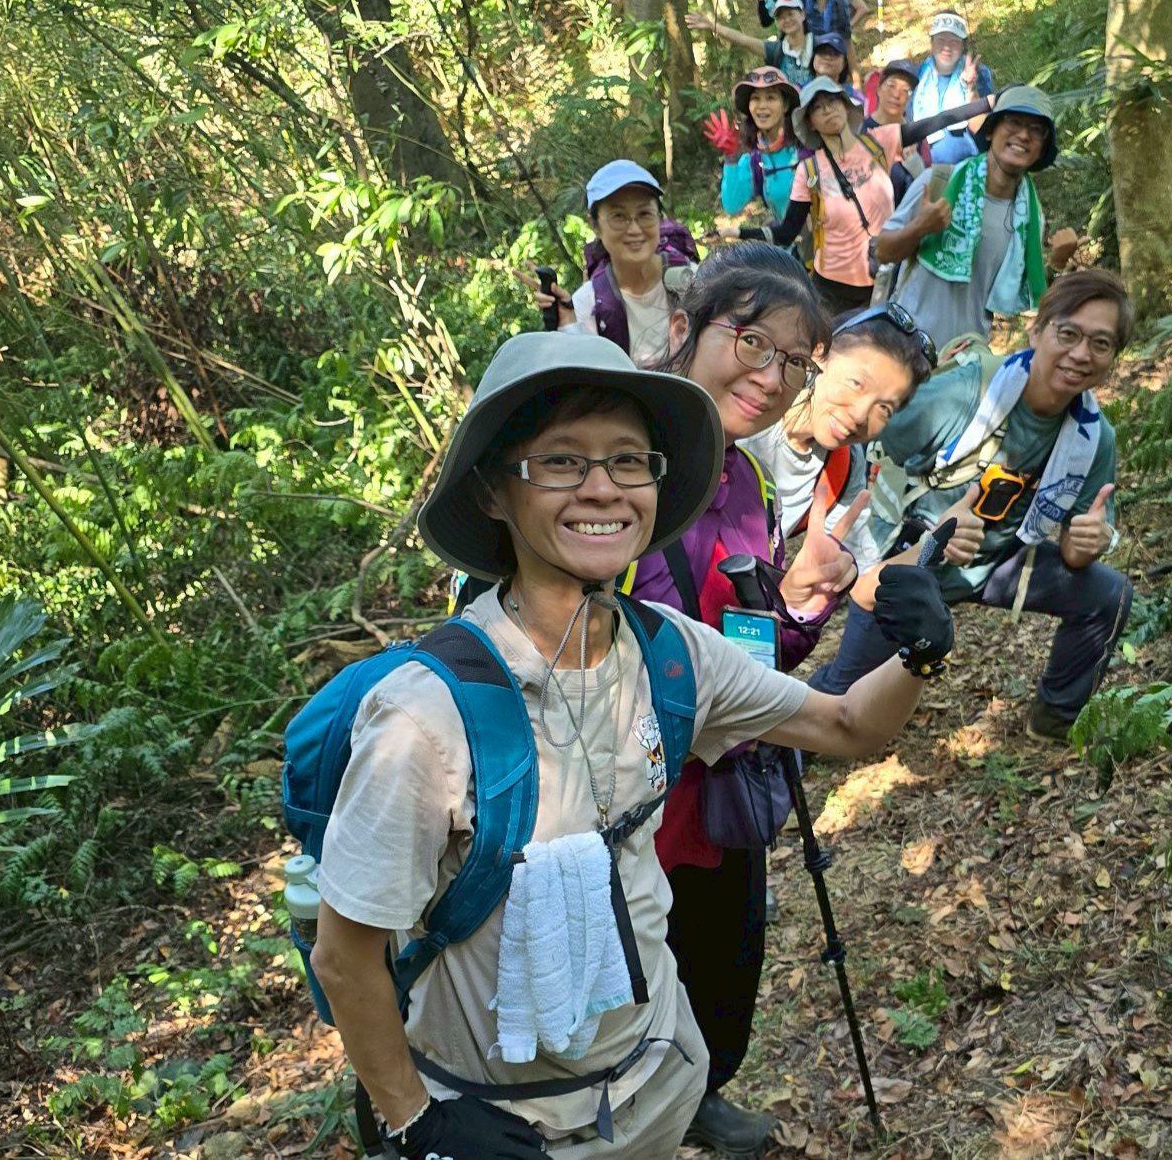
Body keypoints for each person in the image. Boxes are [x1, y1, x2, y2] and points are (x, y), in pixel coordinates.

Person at [310, 329, 954, 1160]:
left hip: (656, 1083)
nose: (601, 489)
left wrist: (916, 651)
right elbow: (344, 952)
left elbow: (845, 726)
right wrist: (418, 1120)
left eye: (627, 461)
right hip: (501, 1123)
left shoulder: (667, 651)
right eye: (560, 462)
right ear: (493, 494)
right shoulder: (422, 716)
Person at [626, 247, 862, 1159]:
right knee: (628, 994)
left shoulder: (747, 481)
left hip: (720, 796)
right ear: (686, 326)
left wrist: (802, 600)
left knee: (724, 979)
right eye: (752, 341)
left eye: (794, 362)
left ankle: (697, 1100)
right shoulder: (615, 459)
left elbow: (756, 653)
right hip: (623, 803)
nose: (770, 378)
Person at [811, 269, 1132, 743]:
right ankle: (777, 758)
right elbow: (863, 445)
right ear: (1037, 330)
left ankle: (1056, 718)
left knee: (1108, 594)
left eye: (1101, 344)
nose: (1081, 354)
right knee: (840, 699)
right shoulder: (966, 394)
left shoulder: (1092, 436)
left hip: (1000, 560)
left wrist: (1087, 542)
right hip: (911, 559)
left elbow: (1073, 555)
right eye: (1069, 334)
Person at [718, 77, 994, 318]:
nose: (827, 110)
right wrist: (739, 232)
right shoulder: (809, 170)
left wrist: (988, 103)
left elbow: (938, 121)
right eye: (817, 107)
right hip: (833, 292)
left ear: (845, 106)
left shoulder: (878, 142)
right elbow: (787, 231)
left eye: (832, 101)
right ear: (810, 123)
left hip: (888, 277)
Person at [878, 85, 1079, 350]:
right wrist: (920, 227)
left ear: (1042, 149)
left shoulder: (1028, 218)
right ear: (991, 130)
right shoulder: (939, 182)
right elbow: (882, 251)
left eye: (1036, 130)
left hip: (963, 362)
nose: (1023, 134)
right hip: (902, 347)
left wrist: (1058, 263)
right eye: (1013, 122)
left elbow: (1032, 299)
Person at [740, 303, 937, 564]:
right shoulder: (746, 412)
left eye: (884, 408)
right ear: (819, 352)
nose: (859, 415)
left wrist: (931, 547)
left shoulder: (843, 467)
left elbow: (863, 571)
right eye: (856, 383)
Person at [559, 161, 700, 365]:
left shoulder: (692, 283)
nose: (634, 229)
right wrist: (566, 325)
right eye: (618, 217)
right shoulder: (587, 304)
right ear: (595, 225)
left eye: (644, 214)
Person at [715, 68, 804, 224]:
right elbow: (732, 206)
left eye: (771, 98)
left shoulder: (806, 146)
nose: (762, 105)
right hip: (786, 245)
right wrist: (730, 158)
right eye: (755, 98)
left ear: (786, 105)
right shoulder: (753, 161)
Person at [910, 11, 995, 166]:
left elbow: (984, 130)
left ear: (963, 46)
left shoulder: (978, 73)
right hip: (924, 163)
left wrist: (971, 88)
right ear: (932, 43)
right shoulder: (918, 75)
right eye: (941, 40)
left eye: (954, 41)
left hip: (967, 163)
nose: (946, 47)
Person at [686, 0, 815, 87]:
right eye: (781, 17)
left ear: (802, 15)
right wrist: (713, 26)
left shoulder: (819, 45)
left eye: (791, 14)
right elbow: (744, 40)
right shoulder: (776, 50)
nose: (787, 20)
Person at [865, 59, 923, 203]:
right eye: (891, 86)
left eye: (905, 90)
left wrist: (919, 170)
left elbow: (931, 190)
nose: (897, 95)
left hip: (910, 220)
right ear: (879, 89)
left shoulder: (915, 134)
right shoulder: (861, 131)